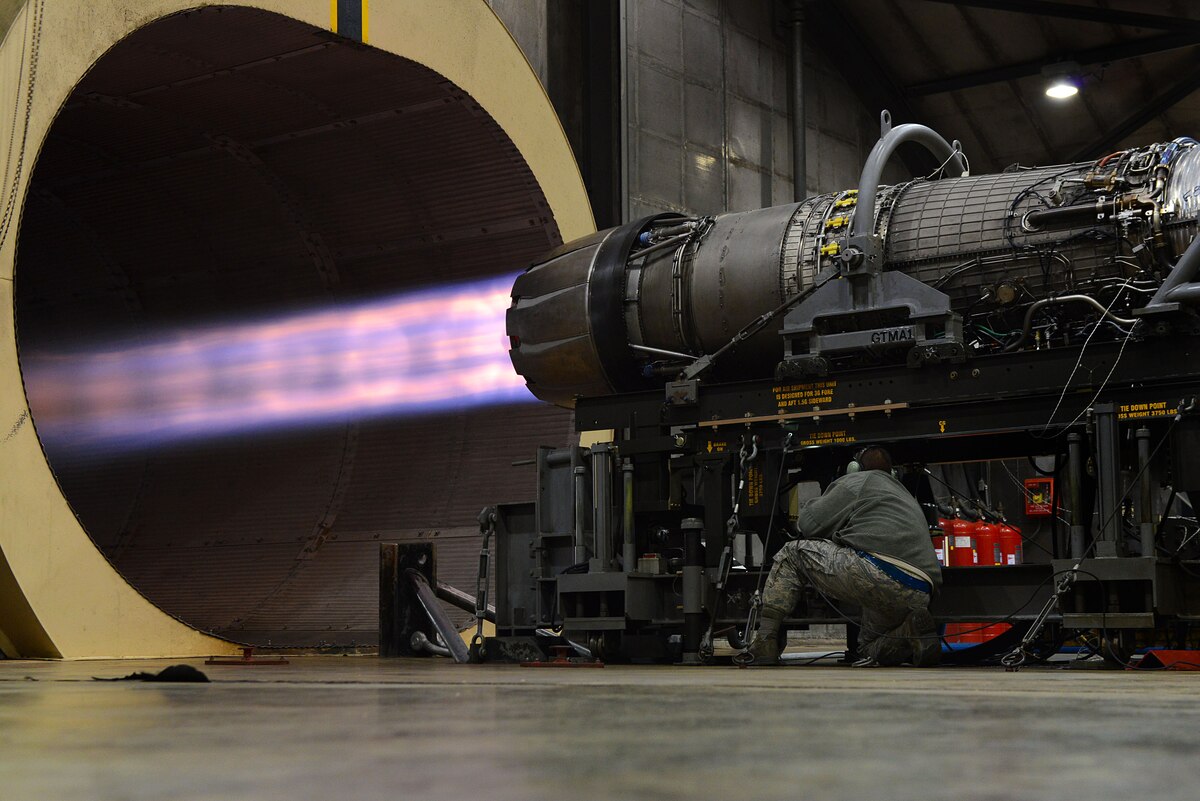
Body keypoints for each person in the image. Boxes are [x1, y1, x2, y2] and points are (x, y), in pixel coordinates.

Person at [747, 445, 942, 666]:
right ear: (892, 472)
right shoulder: (904, 494)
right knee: (867, 648)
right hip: (919, 591)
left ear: (855, 467)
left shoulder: (859, 481)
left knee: (791, 553)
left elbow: (809, 524)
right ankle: (909, 632)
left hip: (878, 574)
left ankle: (765, 641)